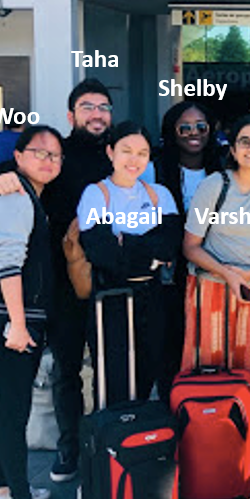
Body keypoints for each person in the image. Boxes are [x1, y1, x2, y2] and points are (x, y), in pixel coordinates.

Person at [0, 78, 114, 483]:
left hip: (111, 280)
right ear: (71, 115)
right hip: (61, 285)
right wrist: (0, 178)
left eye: (103, 107)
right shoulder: (55, 153)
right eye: (87, 107)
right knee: (66, 371)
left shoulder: (120, 153)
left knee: (111, 368)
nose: (97, 114)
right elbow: (16, 169)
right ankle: (71, 449)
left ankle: (112, 443)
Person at [0, 125, 64, 499]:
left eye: (55, 155)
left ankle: (0, 489)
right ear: (20, 156)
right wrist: (16, 323)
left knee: (8, 402)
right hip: (10, 319)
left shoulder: (30, 196)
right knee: (16, 409)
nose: (47, 160)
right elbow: (7, 263)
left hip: (12, 317)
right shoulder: (16, 199)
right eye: (39, 152)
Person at [183, 114, 250, 386]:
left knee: (248, 370)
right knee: (205, 368)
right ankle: (202, 429)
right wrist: (227, 274)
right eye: (244, 141)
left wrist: (244, 276)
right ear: (232, 149)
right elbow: (190, 247)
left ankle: (241, 428)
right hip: (209, 287)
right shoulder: (214, 185)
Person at [76, 121, 180, 406]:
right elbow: (103, 254)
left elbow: (170, 245)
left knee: (149, 373)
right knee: (113, 380)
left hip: (153, 297)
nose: (134, 160)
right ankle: (113, 441)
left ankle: (140, 441)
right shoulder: (96, 194)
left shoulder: (160, 194)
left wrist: (126, 241)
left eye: (142, 153)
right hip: (111, 299)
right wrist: (149, 252)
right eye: (126, 151)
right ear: (110, 152)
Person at [154, 101, 223, 401]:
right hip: (169, 277)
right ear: (172, 132)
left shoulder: (223, 169)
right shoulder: (154, 170)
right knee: (170, 346)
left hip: (213, 271)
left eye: (200, 127)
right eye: (184, 127)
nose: (193, 133)